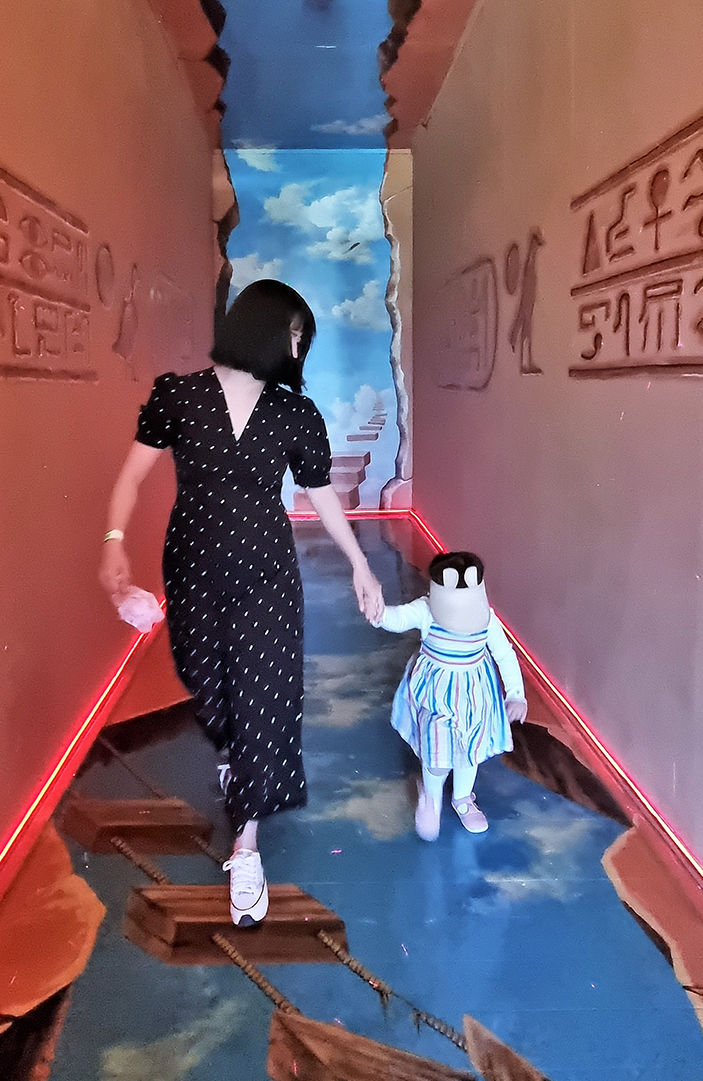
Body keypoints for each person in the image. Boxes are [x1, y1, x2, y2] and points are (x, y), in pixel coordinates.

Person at [99, 280, 384, 926]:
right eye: (295, 334)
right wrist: (113, 543)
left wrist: (360, 563)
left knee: (263, 698)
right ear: (263, 326)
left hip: (266, 575)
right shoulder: (180, 398)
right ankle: (234, 758)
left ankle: (246, 844)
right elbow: (132, 477)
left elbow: (320, 493)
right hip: (192, 569)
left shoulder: (292, 414)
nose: (298, 349)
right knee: (205, 681)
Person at [369, 550, 528, 841]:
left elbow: (504, 653)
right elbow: (400, 618)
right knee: (437, 751)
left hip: (475, 695)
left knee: (470, 750)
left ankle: (463, 797)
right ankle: (431, 796)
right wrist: (380, 615)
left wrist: (516, 693)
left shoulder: (486, 617)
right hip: (436, 695)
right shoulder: (427, 609)